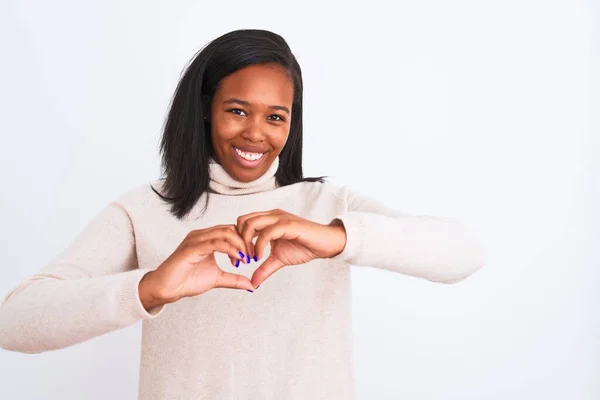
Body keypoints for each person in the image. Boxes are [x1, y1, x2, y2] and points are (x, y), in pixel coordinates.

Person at [0, 29, 484, 399]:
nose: (257, 133)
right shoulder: (143, 209)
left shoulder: (327, 208)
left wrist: (336, 238)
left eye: (276, 116)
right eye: (237, 110)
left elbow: (464, 253)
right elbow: (14, 322)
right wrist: (151, 287)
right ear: (205, 109)